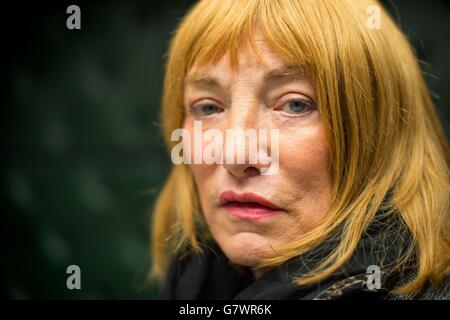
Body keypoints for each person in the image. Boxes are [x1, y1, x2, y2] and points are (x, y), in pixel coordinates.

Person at [151, 0, 450, 299]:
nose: (235, 156)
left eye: (296, 104)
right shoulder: (195, 281)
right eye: (208, 107)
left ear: (381, 133)